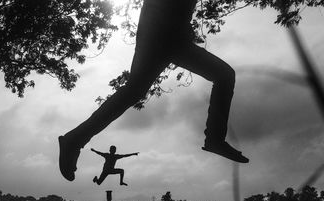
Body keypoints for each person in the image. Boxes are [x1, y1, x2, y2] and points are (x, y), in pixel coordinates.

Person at [59, 0, 249, 181]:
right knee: (223, 76)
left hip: (167, 35)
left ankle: (75, 140)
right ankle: (214, 139)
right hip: (163, 33)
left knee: (133, 92)